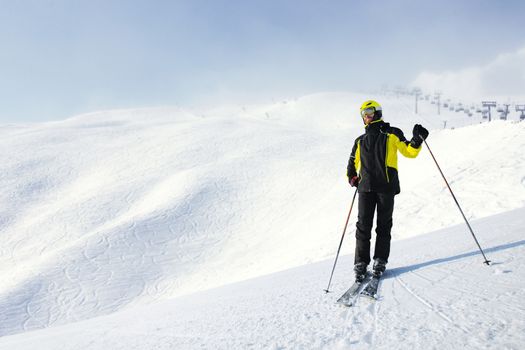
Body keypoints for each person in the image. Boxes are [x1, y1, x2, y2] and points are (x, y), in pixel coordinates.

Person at [347, 100, 429, 282]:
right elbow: (352, 161)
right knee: (363, 227)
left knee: (384, 225)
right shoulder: (360, 140)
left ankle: (380, 260)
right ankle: (361, 262)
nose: (366, 116)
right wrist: (352, 176)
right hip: (365, 188)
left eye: (368, 112)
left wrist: (417, 140)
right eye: (363, 113)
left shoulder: (392, 133)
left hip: (386, 187)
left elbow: (409, 151)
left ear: (377, 112)